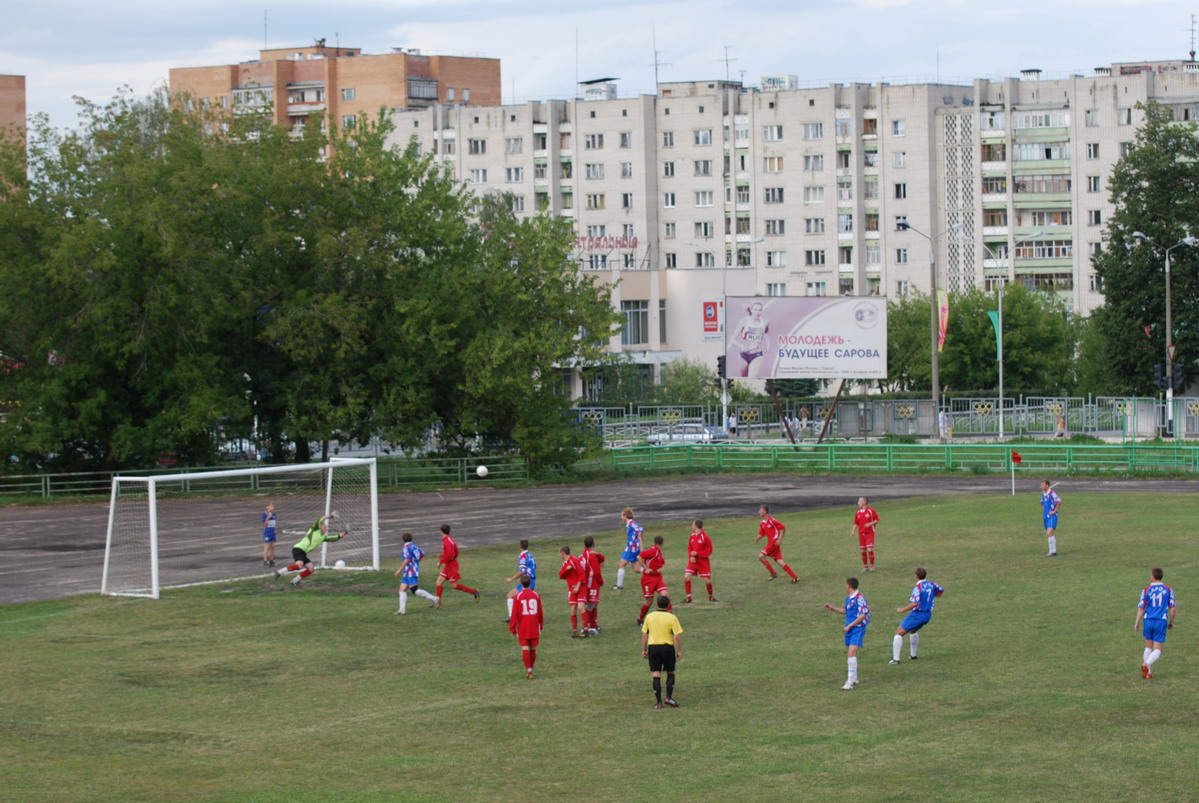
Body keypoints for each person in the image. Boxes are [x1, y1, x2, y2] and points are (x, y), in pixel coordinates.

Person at [889, 568, 944, 664]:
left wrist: (901, 610)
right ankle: (913, 655)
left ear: (916, 576)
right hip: (927, 615)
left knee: (898, 633)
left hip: (918, 614)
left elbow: (914, 603)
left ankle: (896, 659)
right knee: (913, 630)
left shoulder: (918, 588)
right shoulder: (932, 584)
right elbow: (940, 590)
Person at [824, 577, 870, 690]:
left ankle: (849, 682)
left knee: (851, 653)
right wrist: (833, 608)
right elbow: (847, 611)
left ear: (849, 586)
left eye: (846, 585)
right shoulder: (848, 599)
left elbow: (862, 615)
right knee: (850, 654)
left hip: (858, 628)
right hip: (849, 629)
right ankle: (854, 678)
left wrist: (850, 625)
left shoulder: (860, 598)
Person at [274, 514, 344, 587]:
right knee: (299, 566)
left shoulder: (323, 537)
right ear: (320, 526)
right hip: (299, 549)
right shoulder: (315, 529)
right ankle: (279, 572)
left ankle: (294, 581)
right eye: (325, 527)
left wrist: (341, 535)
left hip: (303, 552)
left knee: (311, 569)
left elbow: (334, 538)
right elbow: (321, 519)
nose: (326, 529)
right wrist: (330, 516)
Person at [641, 595, 683, 708]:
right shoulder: (672, 618)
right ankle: (668, 697)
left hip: (653, 648)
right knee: (671, 672)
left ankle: (659, 702)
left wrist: (644, 650)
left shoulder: (650, 617)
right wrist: (679, 651)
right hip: (667, 648)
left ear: (657, 604)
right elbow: (676, 637)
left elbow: (644, 635)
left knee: (656, 673)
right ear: (668, 604)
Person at [1135, 567, 1176, 679]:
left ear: (1152, 577)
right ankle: (1146, 665)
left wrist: (1137, 622)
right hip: (1160, 621)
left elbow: (1141, 607)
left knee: (1148, 647)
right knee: (1157, 650)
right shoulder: (1168, 590)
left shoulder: (1146, 590)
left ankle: (1148, 673)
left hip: (1148, 620)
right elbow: (1172, 609)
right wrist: (1171, 622)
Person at [394, 532, 440, 613]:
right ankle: (402, 610)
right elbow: (422, 554)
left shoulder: (406, 548)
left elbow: (407, 559)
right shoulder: (414, 546)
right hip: (410, 571)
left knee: (414, 590)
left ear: (403, 540)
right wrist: (416, 563)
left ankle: (434, 599)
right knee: (402, 590)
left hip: (410, 571)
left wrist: (399, 570)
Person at [434, 524, 480, 605]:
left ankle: (475, 592)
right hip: (448, 565)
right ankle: (438, 603)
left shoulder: (447, 541)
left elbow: (450, 554)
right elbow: (456, 552)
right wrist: (443, 555)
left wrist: (440, 562)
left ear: (441, 531)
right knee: (438, 582)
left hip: (452, 566)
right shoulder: (448, 539)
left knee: (454, 586)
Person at [509, 574, 544, 679]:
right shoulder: (536, 595)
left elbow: (514, 614)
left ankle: (528, 670)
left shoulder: (518, 596)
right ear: (530, 583)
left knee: (525, 648)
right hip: (534, 626)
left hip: (523, 627)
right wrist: (541, 626)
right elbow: (540, 612)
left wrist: (512, 629)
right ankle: (531, 670)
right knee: (533, 649)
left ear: (520, 583)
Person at [756, 505, 799, 583]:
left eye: (760, 510)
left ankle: (773, 573)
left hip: (774, 542)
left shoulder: (772, 520)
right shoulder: (762, 523)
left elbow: (782, 528)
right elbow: (761, 533)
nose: (759, 512)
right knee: (780, 562)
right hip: (773, 543)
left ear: (765, 512)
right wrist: (757, 538)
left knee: (761, 556)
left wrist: (779, 540)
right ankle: (795, 577)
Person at [637, 535, 670, 624]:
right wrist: (646, 568)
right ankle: (640, 619)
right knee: (649, 601)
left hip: (658, 578)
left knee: (666, 595)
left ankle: (669, 618)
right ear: (662, 543)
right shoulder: (653, 551)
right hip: (648, 579)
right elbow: (639, 557)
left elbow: (664, 563)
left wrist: (662, 569)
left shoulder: (659, 552)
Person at [731, 300, 769, 378]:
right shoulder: (744, 321)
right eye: (755, 309)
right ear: (751, 310)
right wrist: (741, 347)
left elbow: (766, 334)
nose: (758, 312)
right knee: (743, 379)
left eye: (760, 310)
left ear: (762, 311)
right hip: (743, 355)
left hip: (757, 354)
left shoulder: (765, 322)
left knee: (751, 378)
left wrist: (768, 344)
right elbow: (732, 340)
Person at [683, 519, 716, 603]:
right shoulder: (692, 535)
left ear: (696, 526)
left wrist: (697, 553)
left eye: (692, 524)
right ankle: (688, 598)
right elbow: (689, 547)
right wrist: (691, 556)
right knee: (687, 577)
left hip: (703, 562)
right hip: (693, 561)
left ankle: (711, 597)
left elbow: (709, 550)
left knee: (707, 581)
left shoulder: (705, 537)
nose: (691, 526)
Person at [504, 539, 536, 622]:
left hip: (527, 582)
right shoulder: (530, 555)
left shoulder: (523, 556)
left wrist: (511, 579)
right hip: (530, 581)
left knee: (510, 596)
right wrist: (523, 578)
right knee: (518, 598)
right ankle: (517, 616)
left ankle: (512, 617)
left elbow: (522, 570)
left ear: (520, 546)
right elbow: (533, 567)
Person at [558, 545, 587, 638]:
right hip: (571, 589)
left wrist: (577, 587)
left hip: (580, 587)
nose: (560, 555)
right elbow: (561, 575)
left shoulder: (574, 560)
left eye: (560, 553)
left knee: (581, 607)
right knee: (572, 609)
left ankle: (586, 630)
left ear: (563, 553)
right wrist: (566, 570)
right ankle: (575, 631)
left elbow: (582, 574)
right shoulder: (565, 563)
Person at [613, 507, 643, 591]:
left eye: (621, 515)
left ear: (625, 516)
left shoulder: (631, 524)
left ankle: (619, 585)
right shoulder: (630, 524)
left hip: (632, 548)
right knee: (636, 569)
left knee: (621, 564)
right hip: (632, 547)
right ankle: (650, 571)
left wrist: (641, 546)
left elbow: (640, 532)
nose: (621, 517)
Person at [580, 535, 605, 635]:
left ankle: (593, 625)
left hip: (587, 583)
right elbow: (596, 572)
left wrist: (597, 553)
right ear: (593, 543)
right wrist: (601, 582)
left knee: (594, 603)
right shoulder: (591, 555)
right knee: (591, 605)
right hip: (592, 583)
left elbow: (602, 558)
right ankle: (588, 626)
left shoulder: (584, 554)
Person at [850, 497, 880, 571]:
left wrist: (870, 524)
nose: (858, 502)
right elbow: (856, 523)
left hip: (870, 533)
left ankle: (872, 566)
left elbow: (877, 520)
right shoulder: (858, 512)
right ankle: (865, 566)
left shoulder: (871, 511)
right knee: (863, 550)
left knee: (869, 549)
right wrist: (853, 531)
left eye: (859, 501)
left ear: (864, 502)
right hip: (861, 534)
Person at [1040, 480, 1062, 556]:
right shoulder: (1043, 494)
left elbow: (1059, 501)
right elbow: (1042, 503)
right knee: (1050, 534)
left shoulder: (1052, 493)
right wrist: (1044, 513)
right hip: (1046, 516)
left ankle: (1052, 551)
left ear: (1047, 485)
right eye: (1041, 485)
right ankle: (1053, 551)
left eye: (1042, 485)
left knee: (1049, 533)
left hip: (1052, 516)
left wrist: (1054, 511)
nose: (1041, 486)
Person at [261, 502, 277, 567]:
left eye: (273, 506)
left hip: (273, 533)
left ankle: (271, 561)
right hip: (267, 533)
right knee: (266, 548)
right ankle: (265, 562)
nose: (273, 508)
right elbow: (265, 525)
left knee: (273, 548)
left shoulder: (274, 514)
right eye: (271, 506)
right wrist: (268, 517)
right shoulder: (265, 514)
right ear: (267, 507)